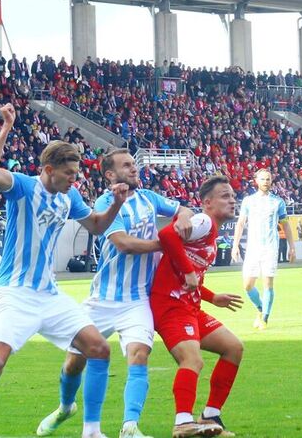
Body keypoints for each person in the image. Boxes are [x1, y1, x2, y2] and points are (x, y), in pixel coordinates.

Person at [0, 103, 128, 438]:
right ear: (48, 169)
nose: (75, 180)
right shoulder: (24, 186)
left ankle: (84, 424)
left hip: (49, 294)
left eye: (76, 174)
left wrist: (116, 201)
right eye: (69, 174)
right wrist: (6, 127)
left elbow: (98, 226)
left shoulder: (68, 196)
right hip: (15, 293)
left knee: (99, 348)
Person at [36, 149, 193, 438]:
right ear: (110, 174)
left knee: (139, 354)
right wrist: (168, 244)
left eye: (134, 164)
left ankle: (129, 427)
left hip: (137, 300)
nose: (134, 169)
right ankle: (65, 406)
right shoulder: (107, 202)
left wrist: (183, 216)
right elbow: (124, 244)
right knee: (74, 363)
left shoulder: (149, 198)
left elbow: (182, 208)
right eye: (126, 165)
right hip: (102, 299)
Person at [152, 175, 245, 438]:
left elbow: (189, 278)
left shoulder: (211, 231)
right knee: (192, 359)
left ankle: (210, 415)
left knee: (233, 348)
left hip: (189, 307)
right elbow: (167, 234)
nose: (232, 200)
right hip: (170, 306)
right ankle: (183, 422)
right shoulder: (203, 221)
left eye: (233, 196)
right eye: (225, 196)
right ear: (207, 203)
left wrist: (212, 296)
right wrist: (189, 273)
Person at [231, 168, 295, 330]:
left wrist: (292, 246)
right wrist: (235, 245)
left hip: (270, 248)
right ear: (256, 181)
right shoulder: (248, 201)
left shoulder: (277, 202)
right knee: (247, 285)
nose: (266, 182)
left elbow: (285, 225)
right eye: (263, 179)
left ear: (271, 181)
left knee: (268, 283)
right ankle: (260, 309)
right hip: (253, 248)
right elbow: (240, 223)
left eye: (268, 179)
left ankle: (265, 318)